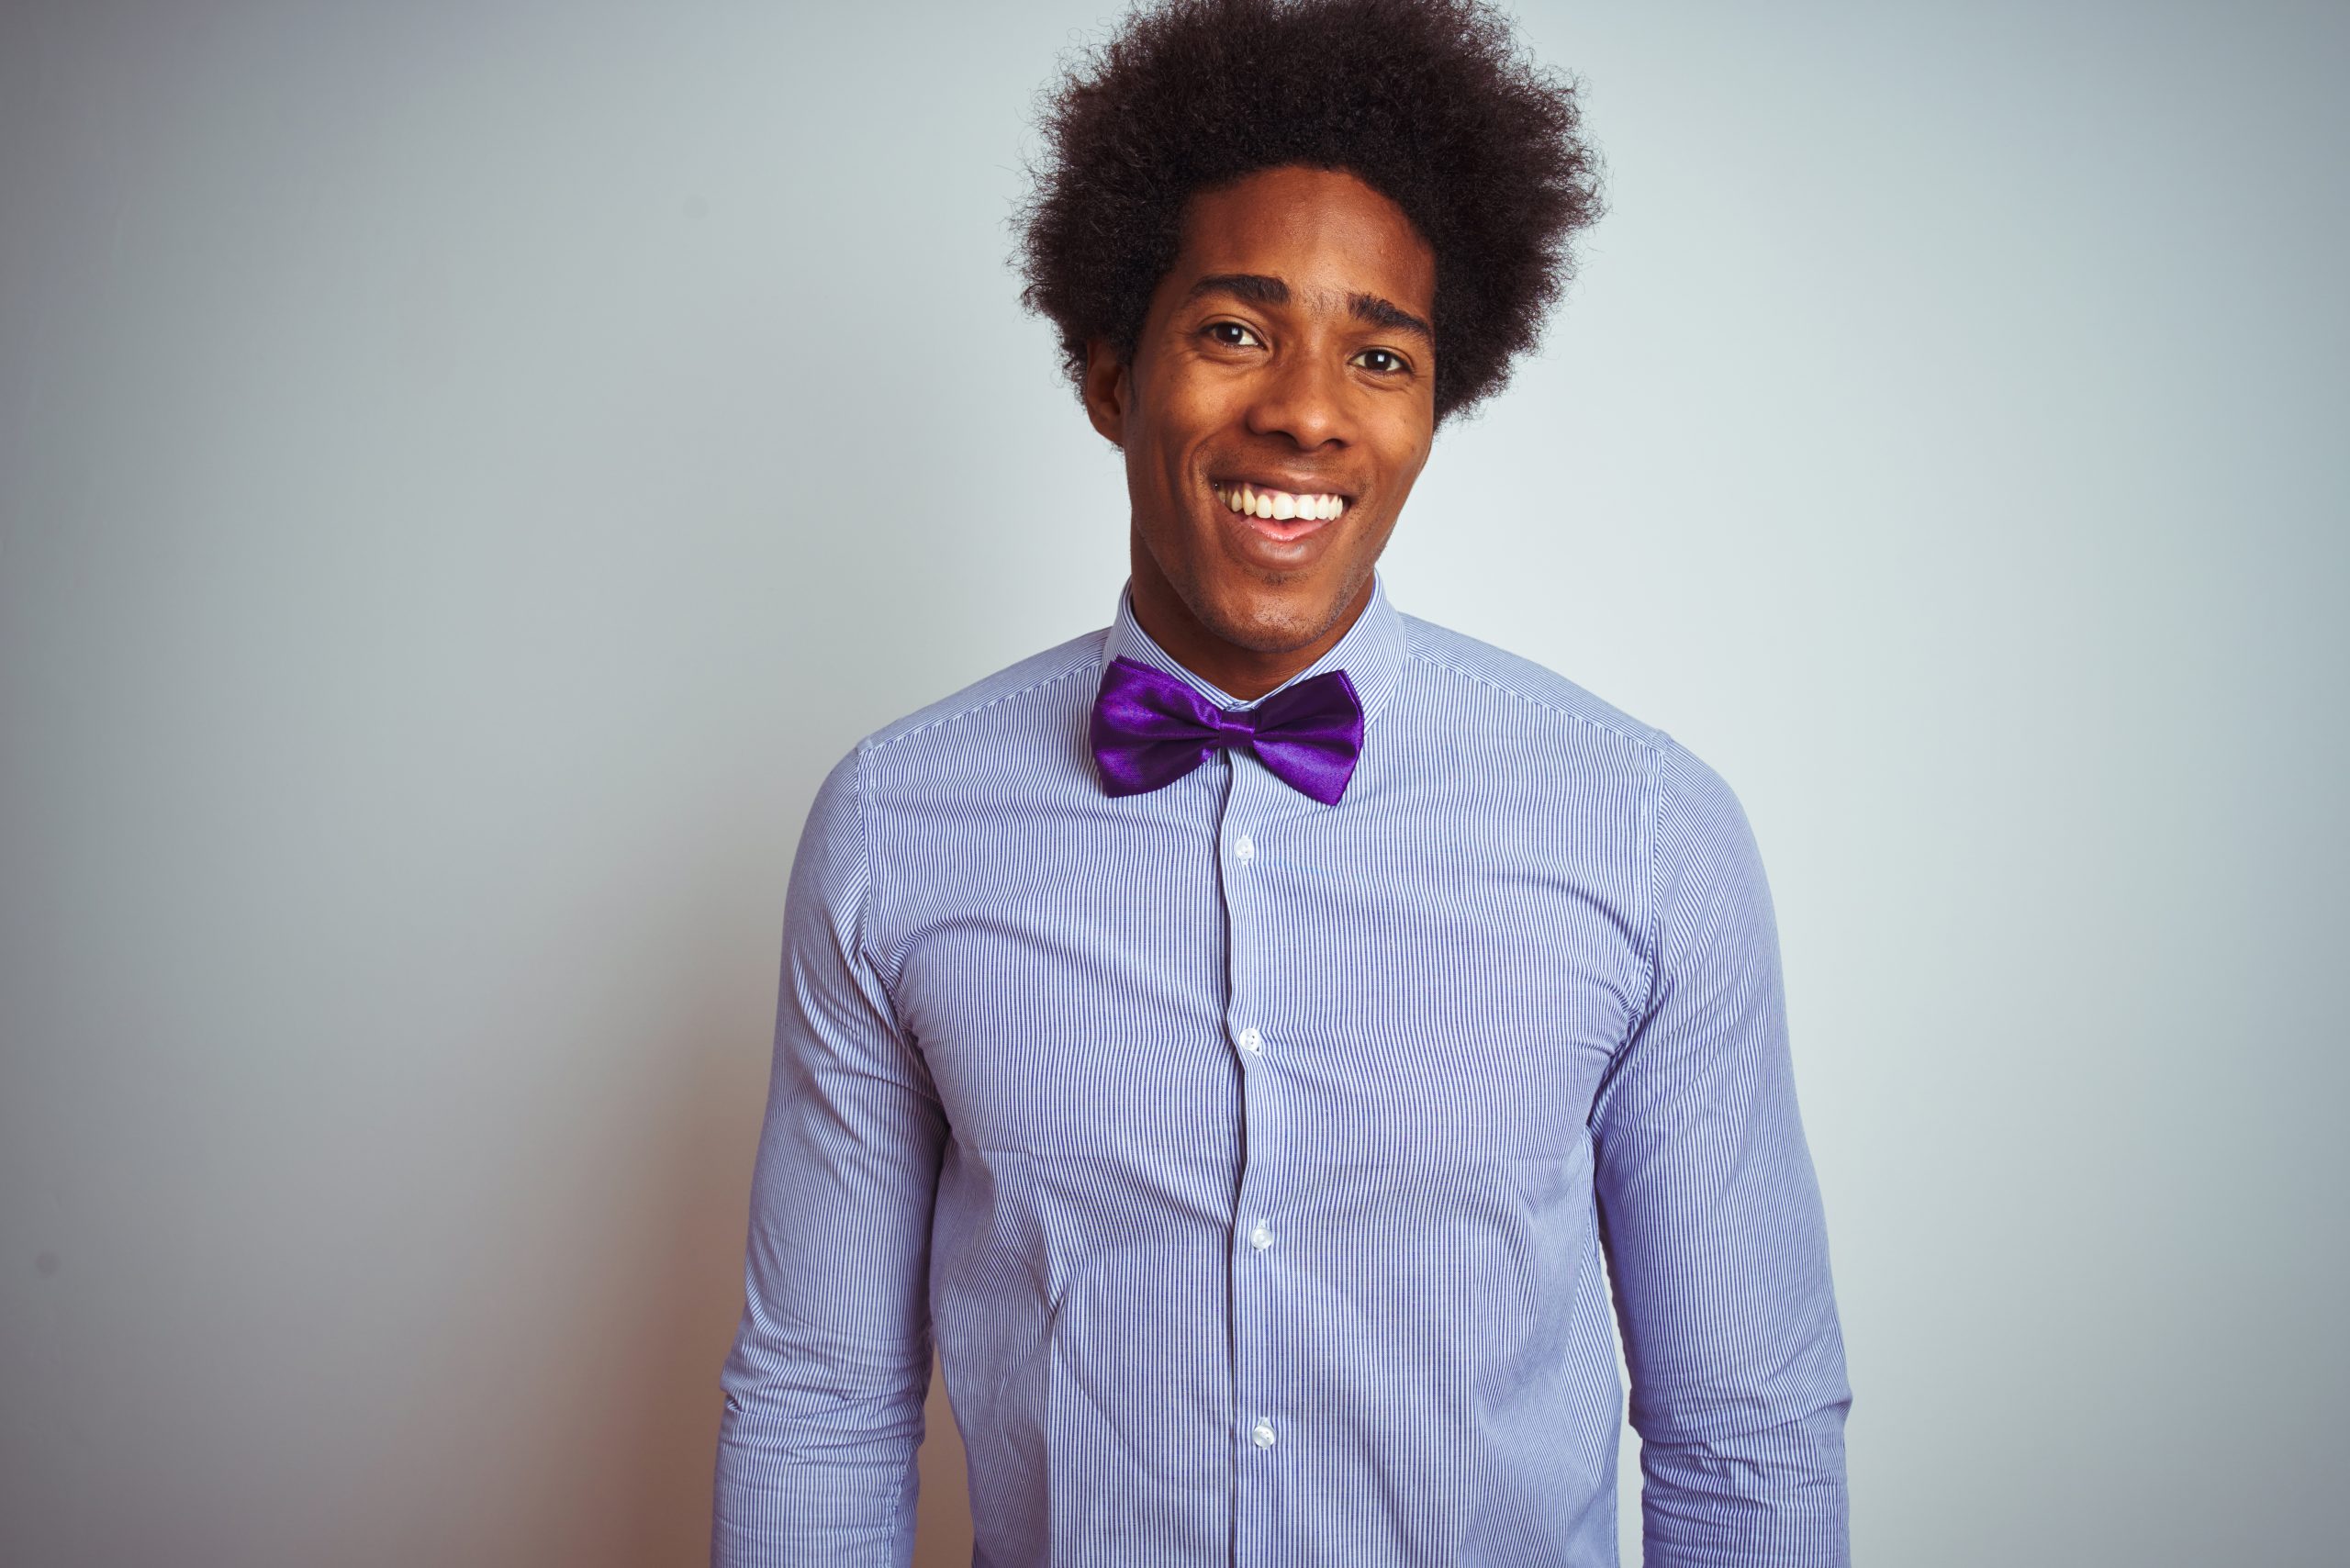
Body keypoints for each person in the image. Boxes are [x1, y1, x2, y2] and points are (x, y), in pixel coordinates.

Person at [712, 0, 1851, 1562]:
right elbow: (821, 1404)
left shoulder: (1648, 833)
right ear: (1112, 372)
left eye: (1378, 355)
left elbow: (1746, 1432)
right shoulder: (895, 828)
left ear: (1432, 412)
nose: (1306, 410)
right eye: (1236, 330)